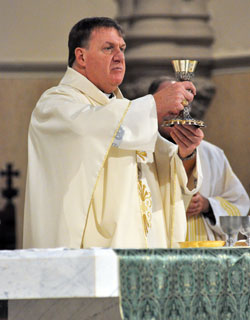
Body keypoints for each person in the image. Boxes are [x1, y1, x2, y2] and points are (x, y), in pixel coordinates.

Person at [23, 17, 204, 249]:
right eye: (108, 48)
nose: (119, 56)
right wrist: (153, 106)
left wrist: (185, 154)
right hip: (92, 258)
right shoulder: (55, 105)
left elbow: (162, 171)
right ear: (81, 57)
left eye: (122, 49)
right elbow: (88, 130)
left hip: (142, 253)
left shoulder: (126, 111)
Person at [148, 76, 250, 241]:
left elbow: (241, 209)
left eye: (181, 102)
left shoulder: (212, 154)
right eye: (168, 101)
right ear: (151, 106)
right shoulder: (138, 152)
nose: (175, 110)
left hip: (205, 252)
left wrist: (208, 206)